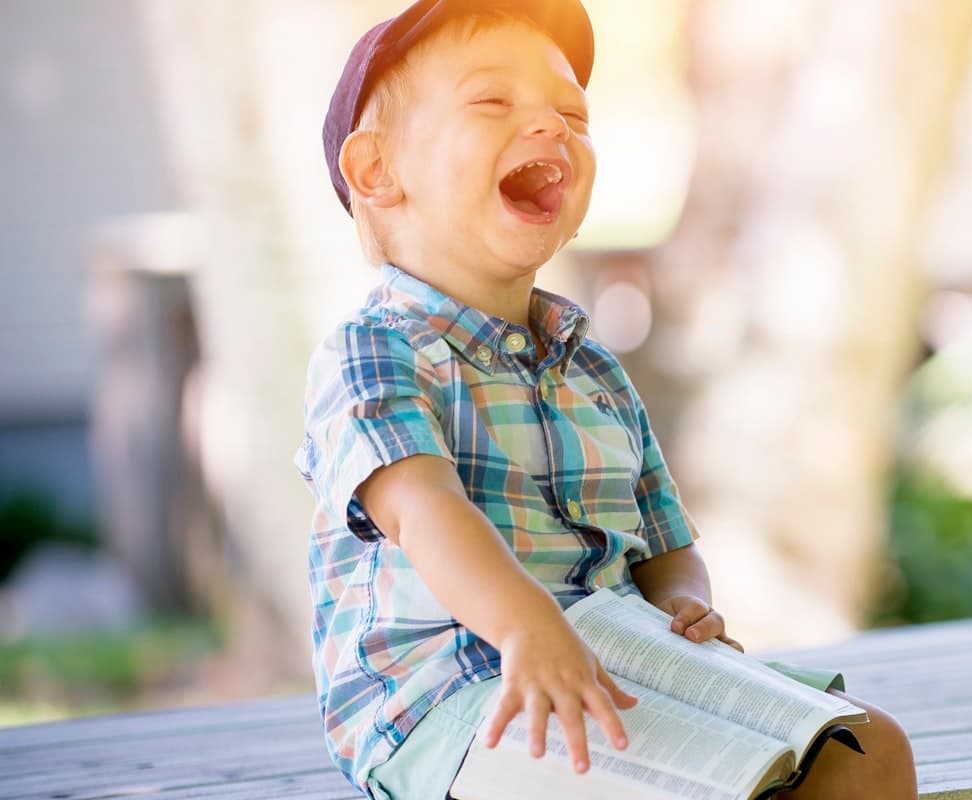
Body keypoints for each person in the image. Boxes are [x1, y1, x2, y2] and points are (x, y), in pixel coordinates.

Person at [295, 2, 916, 798]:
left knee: (868, 748)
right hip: (455, 701)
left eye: (570, 114)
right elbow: (423, 509)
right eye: (493, 102)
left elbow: (665, 543)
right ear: (378, 170)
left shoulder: (592, 367)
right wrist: (529, 624)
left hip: (623, 663)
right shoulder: (374, 351)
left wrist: (686, 603)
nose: (550, 127)